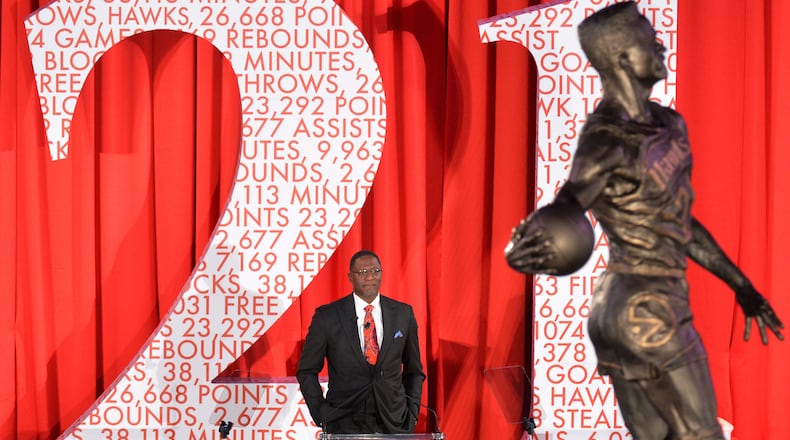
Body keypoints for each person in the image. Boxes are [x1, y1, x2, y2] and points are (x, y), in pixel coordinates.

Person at [504, 2, 784, 439]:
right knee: (702, 435)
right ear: (621, 59)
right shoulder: (606, 139)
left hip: (631, 306)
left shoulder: (669, 124)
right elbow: (573, 198)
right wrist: (537, 240)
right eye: (648, 40)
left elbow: (679, 222)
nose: (660, 45)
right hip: (644, 305)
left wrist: (741, 285)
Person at [296, 250, 426, 434]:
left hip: (394, 421)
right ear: (350, 277)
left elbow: (414, 371)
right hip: (344, 422)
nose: (370, 277)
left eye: (375, 271)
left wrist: (412, 414)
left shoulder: (403, 313)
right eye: (363, 272)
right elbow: (306, 371)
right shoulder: (327, 316)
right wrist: (320, 413)